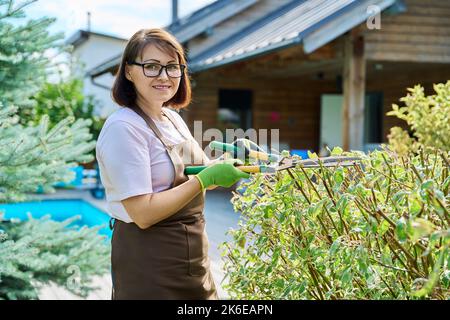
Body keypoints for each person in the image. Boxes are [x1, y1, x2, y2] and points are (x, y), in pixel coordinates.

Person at [95, 28, 249, 300]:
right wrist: (205, 179)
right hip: (149, 264)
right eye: (151, 67)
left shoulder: (172, 118)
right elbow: (142, 213)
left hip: (191, 260)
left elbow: (202, 171)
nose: (164, 76)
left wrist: (235, 159)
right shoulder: (124, 128)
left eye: (172, 67)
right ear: (129, 71)